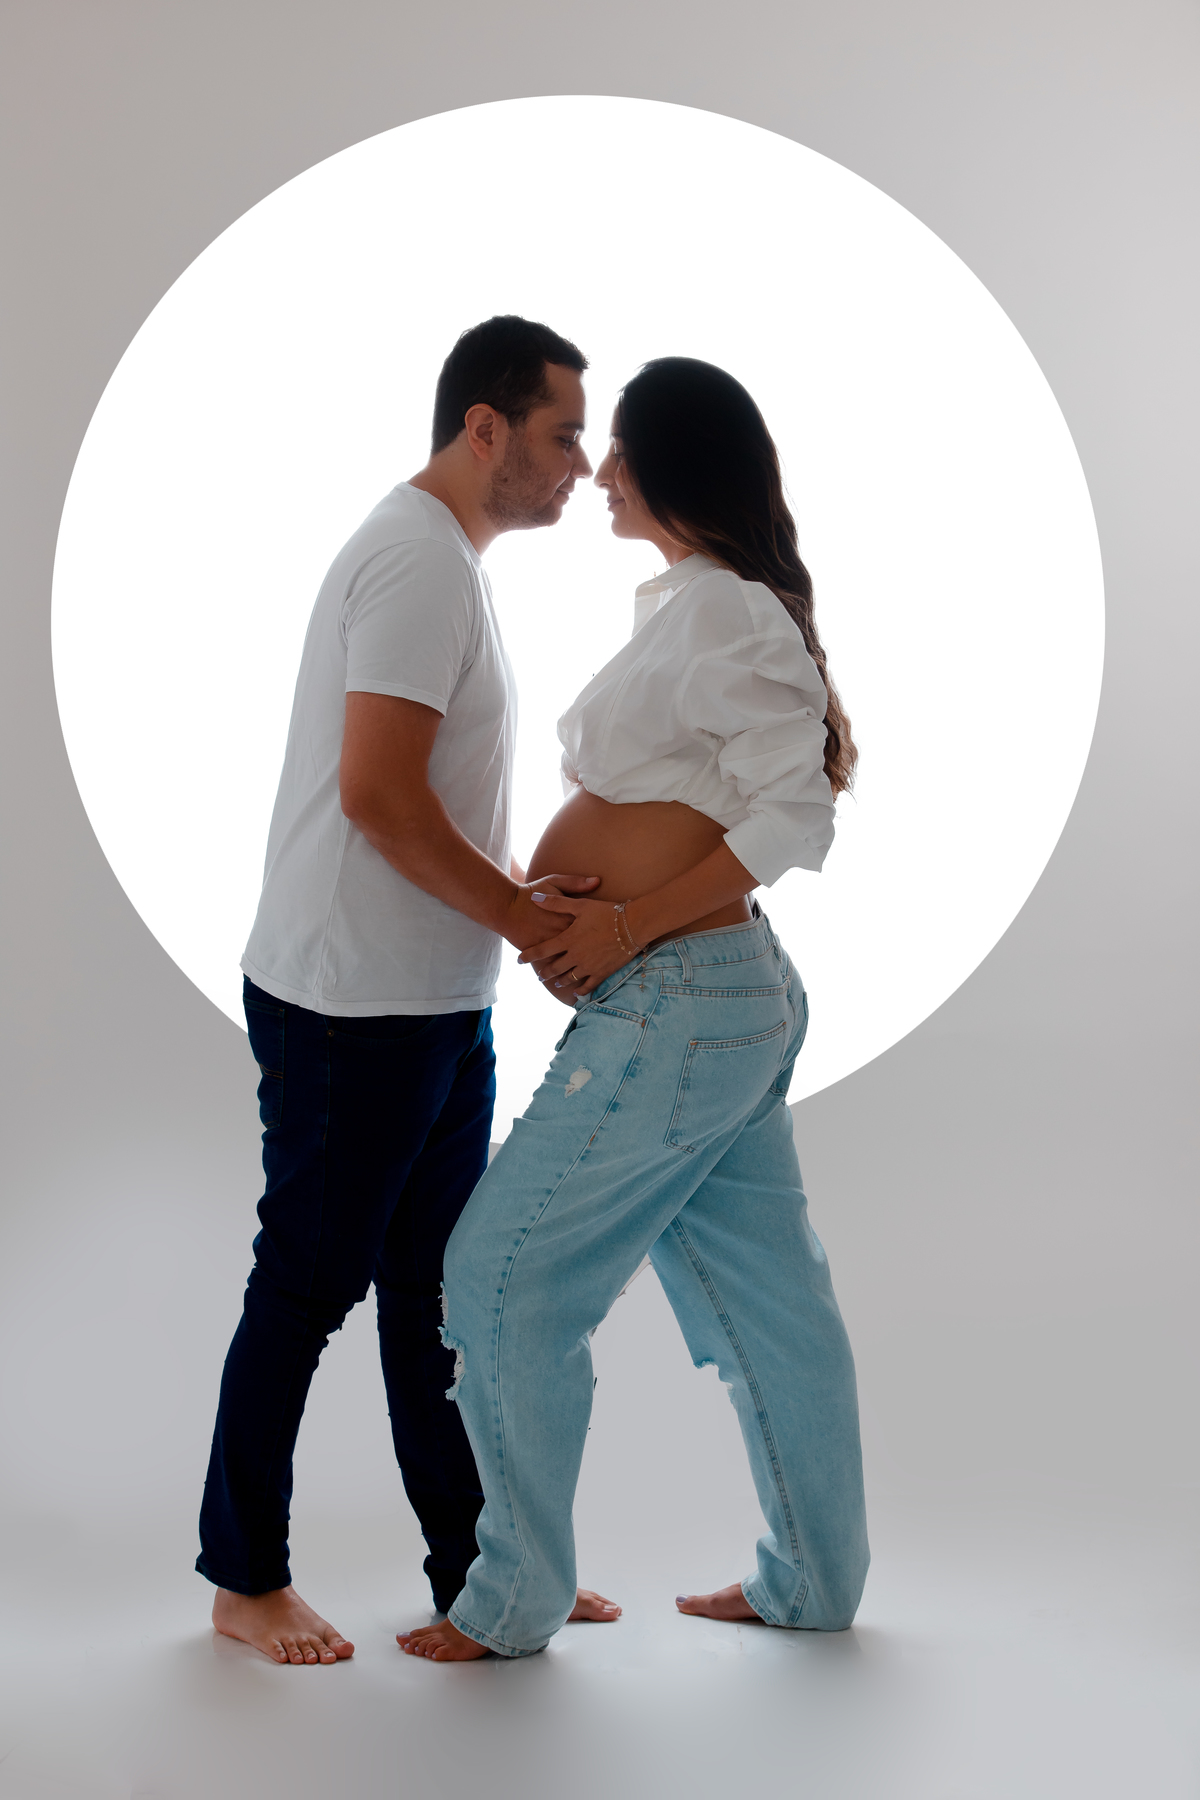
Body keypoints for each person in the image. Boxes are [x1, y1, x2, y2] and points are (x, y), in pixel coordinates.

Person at [398, 357, 870, 1662]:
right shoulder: (697, 606)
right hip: (708, 999)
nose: (599, 471)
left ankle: (513, 1601)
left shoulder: (728, 614)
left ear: (674, 464)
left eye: (617, 450)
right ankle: (815, 1582)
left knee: (499, 1273)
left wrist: (625, 923)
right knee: (772, 1304)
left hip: (684, 999)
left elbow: (793, 815)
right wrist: (578, 904)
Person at [198, 316, 620, 1666]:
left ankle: (482, 1574)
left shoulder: (452, 564)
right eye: (563, 434)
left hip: (433, 1002)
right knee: (307, 1287)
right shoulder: (416, 561)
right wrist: (523, 918)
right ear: (484, 428)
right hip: (351, 1008)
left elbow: (425, 796)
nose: (583, 463)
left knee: (438, 1300)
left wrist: (515, 911)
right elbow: (378, 796)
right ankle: (243, 1578)